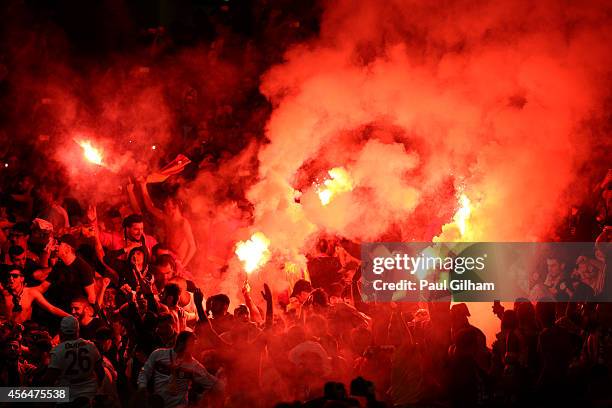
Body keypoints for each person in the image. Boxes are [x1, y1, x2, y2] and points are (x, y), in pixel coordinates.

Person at [137, 331, 223, 407]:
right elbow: (145, 371)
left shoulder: (194, 366)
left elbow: (213, 383)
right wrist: (142, 387)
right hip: (157, 404)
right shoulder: (159, 354)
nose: (194, 349)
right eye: (191, 345)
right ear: (181, 343)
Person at [43, 316, 105, 405]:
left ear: (61, 332)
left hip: (67, 397)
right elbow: (101, 373)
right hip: (90, 394)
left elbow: (49, 380)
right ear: (78, 330)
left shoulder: (58, 350)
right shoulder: (91, 346)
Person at [138, 179, 197, 267]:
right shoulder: (167, 218)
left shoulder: (183, 223)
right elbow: (150, 207)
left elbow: (193, 247)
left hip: (179, 260)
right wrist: (143, 186)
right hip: (169, 256)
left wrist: (182, 266)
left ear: (175, 206)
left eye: (167, 203)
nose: (164, 205)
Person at [0, 265, 69, 323]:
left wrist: (70, 317)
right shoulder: (4, 294)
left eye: (15, 276)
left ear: (22, 278)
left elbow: (51, 308)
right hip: (7, 331)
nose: (11, 279)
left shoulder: (30, 293)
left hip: (25, 330)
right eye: (9, 276)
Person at [45, 234, 96, 310]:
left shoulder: (83, 267)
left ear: (67, 249)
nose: (56, 246)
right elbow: (43, 286)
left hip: (75, 310)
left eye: (59, 244)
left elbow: (91, 297)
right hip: (61, 306)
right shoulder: (59, 265)